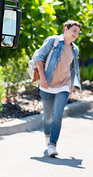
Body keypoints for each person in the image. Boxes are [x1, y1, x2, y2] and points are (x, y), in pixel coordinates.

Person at [35, 20, 82, 157]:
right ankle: (47, 137)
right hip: (47, 84)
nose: (76, 34)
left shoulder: (75, 49)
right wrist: (42, 77)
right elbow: (39, 58)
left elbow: (73, 69)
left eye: (78, 32)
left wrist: (71, 85)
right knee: (48, 116)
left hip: (64, 85)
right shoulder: (53, 41)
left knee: (57, 115)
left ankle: (52, 144)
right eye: (74, 31)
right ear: (65, 29)